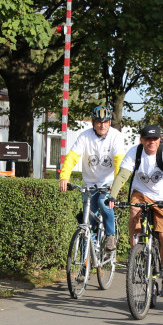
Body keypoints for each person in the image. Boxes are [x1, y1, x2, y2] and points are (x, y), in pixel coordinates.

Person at [109, 124, 163, 298]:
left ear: (159, 140)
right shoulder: (135, 152)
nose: (151, 142)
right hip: (140, 193)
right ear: (142, 140)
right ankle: (136, 258)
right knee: (134, 212)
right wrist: (112, 196)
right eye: (148, 139)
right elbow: (123, 175)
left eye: (155, 139)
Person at [58, 105, 125, 250]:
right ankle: (88, 255)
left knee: (104, 203)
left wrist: (116, 183)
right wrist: (64, 177)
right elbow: (72, 157)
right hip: (90, 182)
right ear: (93, 123)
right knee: (87, 219)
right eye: (99, 122)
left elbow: (119, 162)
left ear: (110, 123)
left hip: (107, 182)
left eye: (105, 122)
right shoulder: (85, 136)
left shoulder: (116, 136)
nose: (102, 125)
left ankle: (110, 235)